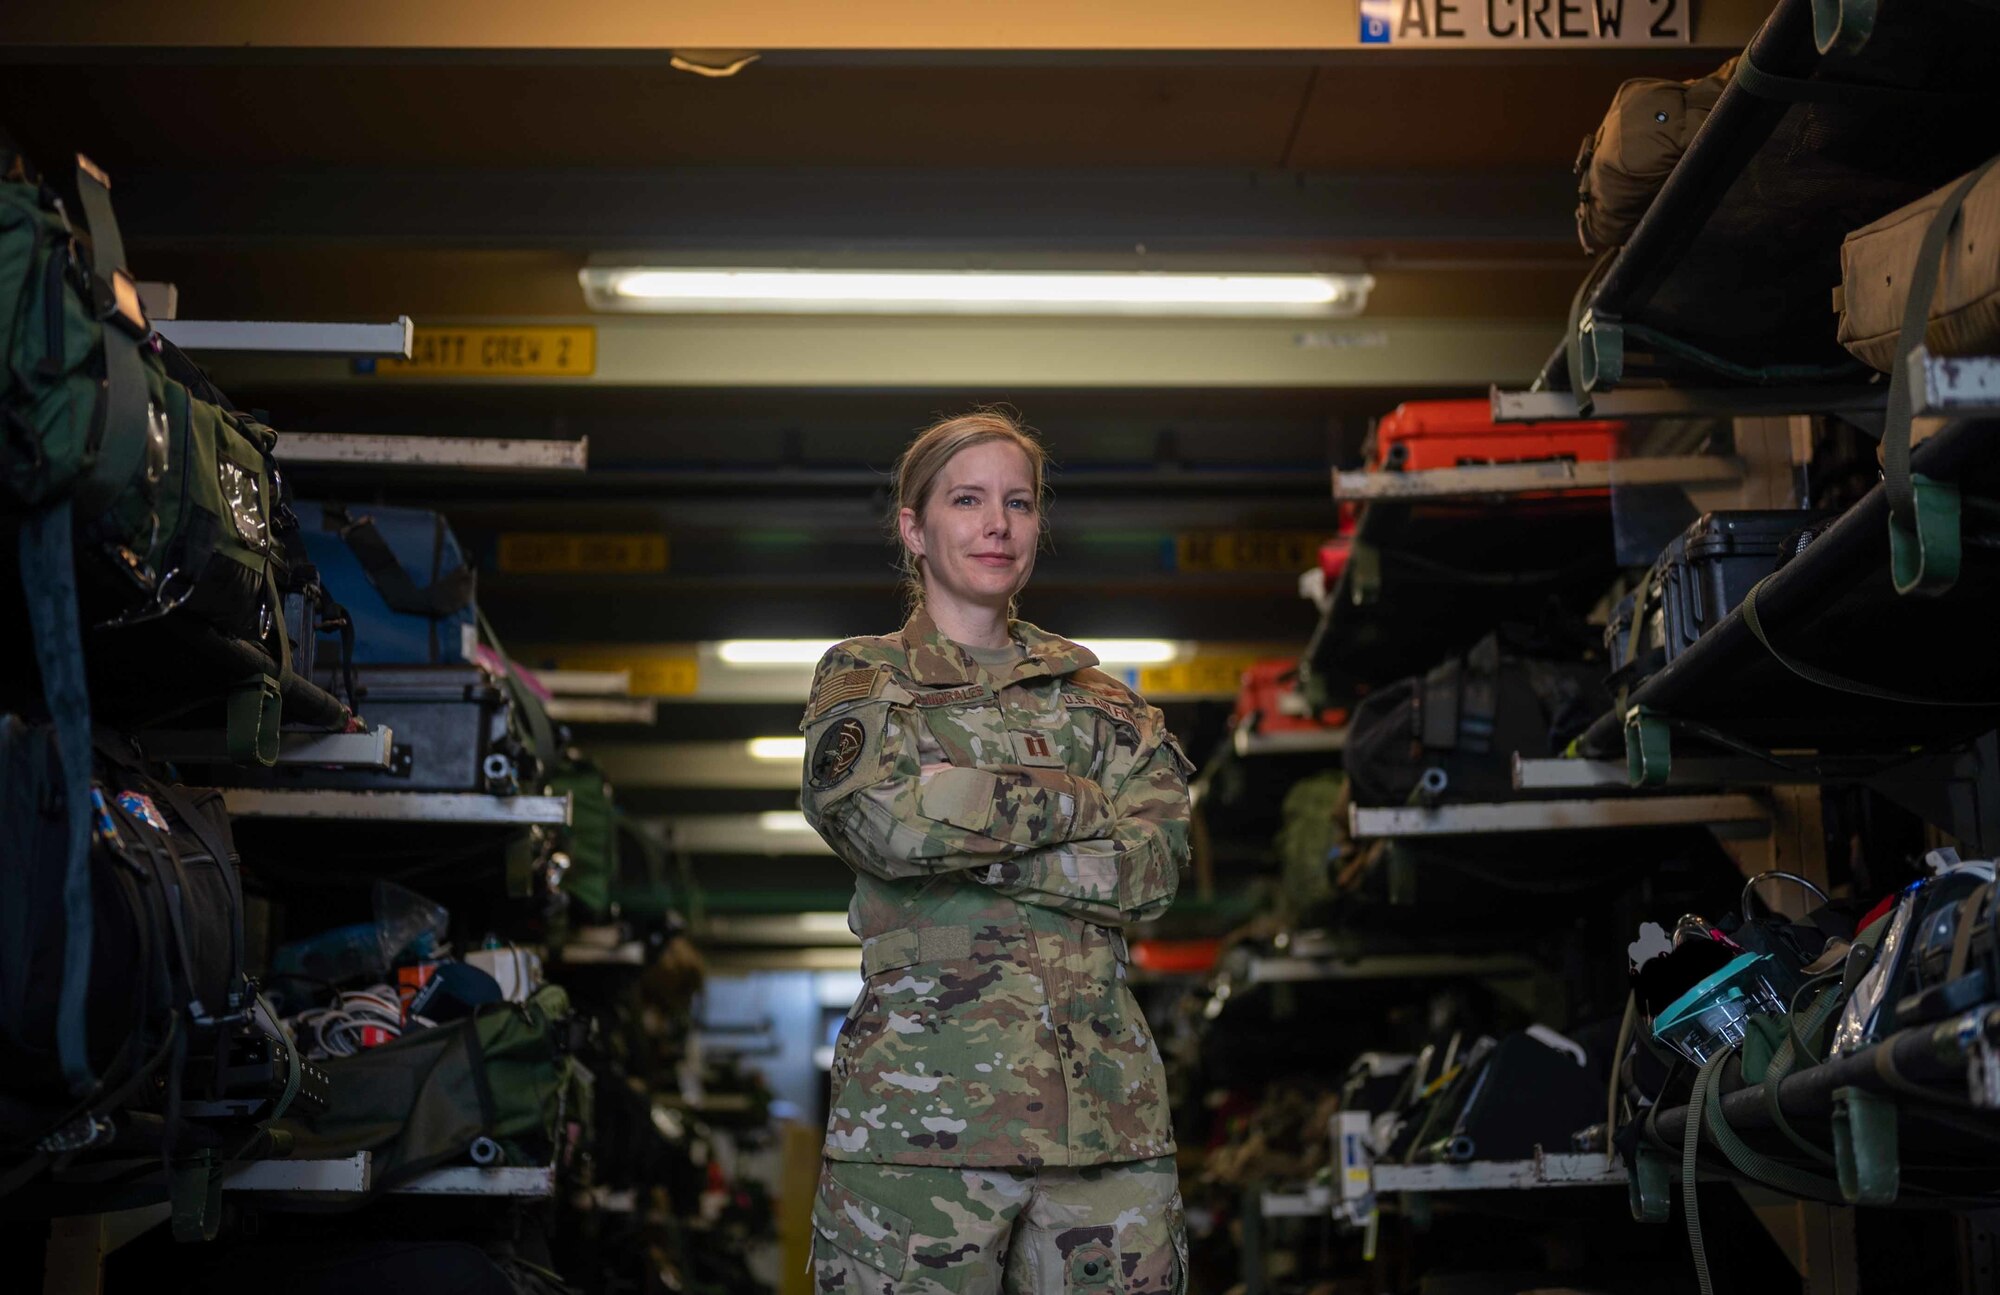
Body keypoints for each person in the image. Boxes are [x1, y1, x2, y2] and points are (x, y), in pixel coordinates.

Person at [798, 409, 1193, 1294]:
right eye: (967, 499)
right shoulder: (866, 679)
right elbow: (885, 826)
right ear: (915, 526)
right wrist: (1080, 807)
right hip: (916, 1127)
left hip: (1105, 1123)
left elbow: (1155, 868)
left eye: (1018, 502)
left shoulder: (1101, 700)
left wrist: (973, 836)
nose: (996, 524)